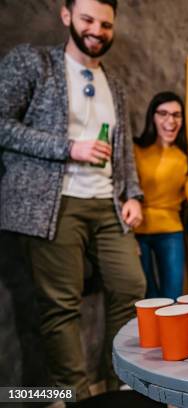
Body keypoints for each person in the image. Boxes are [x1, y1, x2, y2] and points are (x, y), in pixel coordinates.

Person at [0, 0, 145, 399]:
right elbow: (2, 124)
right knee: (61, 306)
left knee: (131, 286)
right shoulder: (34, 63)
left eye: (105, 24)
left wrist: (133, 194)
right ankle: (74, 396)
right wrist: (69, 148)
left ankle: (122, 383)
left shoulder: (115, 85)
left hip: (107, 203)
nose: (97, 30)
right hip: (52, 204)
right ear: (66, 16)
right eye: (87, 19)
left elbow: (125, 151)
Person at [134, 92, 188, 299]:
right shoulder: (137, 149)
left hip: (171, 231)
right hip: (137, 232)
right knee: (147, 296)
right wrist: (127, 235)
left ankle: (171, 333)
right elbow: (125, 192)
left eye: (176, 115)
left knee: (172, 298)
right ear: (153, 117)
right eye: (163, 114)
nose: (170, 121)